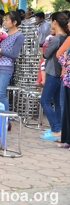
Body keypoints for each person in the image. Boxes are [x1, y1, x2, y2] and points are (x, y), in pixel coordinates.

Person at [38, 12, 68, 142]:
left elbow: (45, 54)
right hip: (59, 75)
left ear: (55, 22)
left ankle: (56, 129)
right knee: (57, 103)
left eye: (50, 21)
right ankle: (59, 129)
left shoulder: (56, 39)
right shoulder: (66, 38)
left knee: (44, 101)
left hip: (53, 73)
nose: (50, 23)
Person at [0, 11, 25, 112]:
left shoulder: (19, 36)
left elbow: (14, 54)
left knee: (1, 93)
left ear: (14, 22)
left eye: (7, 19)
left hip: (6, 66)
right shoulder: (2, 33)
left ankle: (5, 120)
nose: (4, 21)